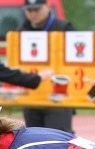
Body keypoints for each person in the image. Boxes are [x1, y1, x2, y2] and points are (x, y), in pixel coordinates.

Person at [19, 0, 74, 132]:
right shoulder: (21, 31)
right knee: (34, 138)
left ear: (48, 6)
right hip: (32, 95)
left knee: (58, 138)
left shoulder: (64, 28)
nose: (33, 14)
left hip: (58, 97)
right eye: (29, 10)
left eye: (37, 10)